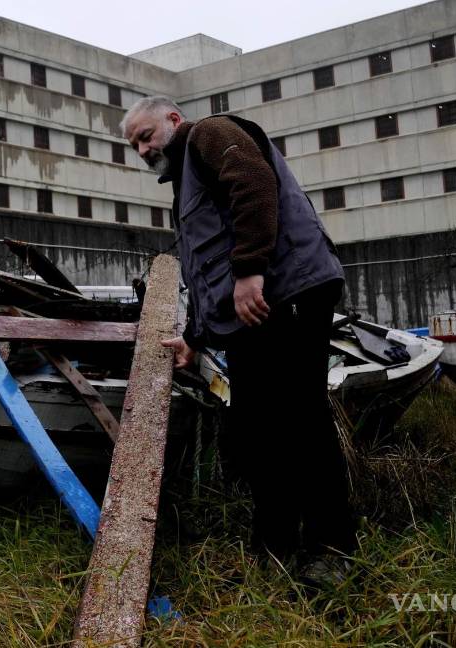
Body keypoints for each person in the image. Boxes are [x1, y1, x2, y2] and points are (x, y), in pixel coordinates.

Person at [122, 96, 356, 565]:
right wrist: (195, 337)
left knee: (300, 421)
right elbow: (205, 272)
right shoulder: (186, 182)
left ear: (173, 120)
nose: (143, 150)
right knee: (257, 431)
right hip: (257, 312)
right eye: (134, 146)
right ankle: (276, 547)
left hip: (286, 295)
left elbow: (253, 184)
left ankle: (332, 550)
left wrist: (251, 269)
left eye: (145, 136)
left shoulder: (210, 134)